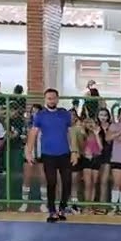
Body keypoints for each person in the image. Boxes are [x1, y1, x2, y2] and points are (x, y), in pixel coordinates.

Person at [27, 88, 73, 222]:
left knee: (67, 182)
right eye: (49, 98)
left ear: (58, 99)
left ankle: (62, 208)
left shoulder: (65, 115)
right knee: (51, 182)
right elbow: (33, 134)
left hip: (64, 153)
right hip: (48, 154)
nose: (52, 100)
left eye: (54, 98)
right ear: (45, 100)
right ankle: (52, 210)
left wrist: (74, 151)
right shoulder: (40, 115)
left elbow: (70, 133)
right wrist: (28, 152)